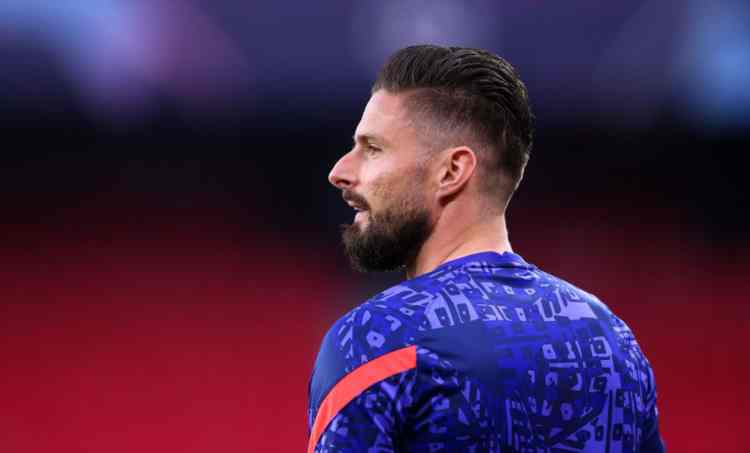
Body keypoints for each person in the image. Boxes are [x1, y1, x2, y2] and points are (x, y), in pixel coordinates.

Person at [307, 44, 665, 453]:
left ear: (452, 171)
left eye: (372, 149)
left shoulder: (376, 340)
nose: (340, 171)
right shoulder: (614, 341)